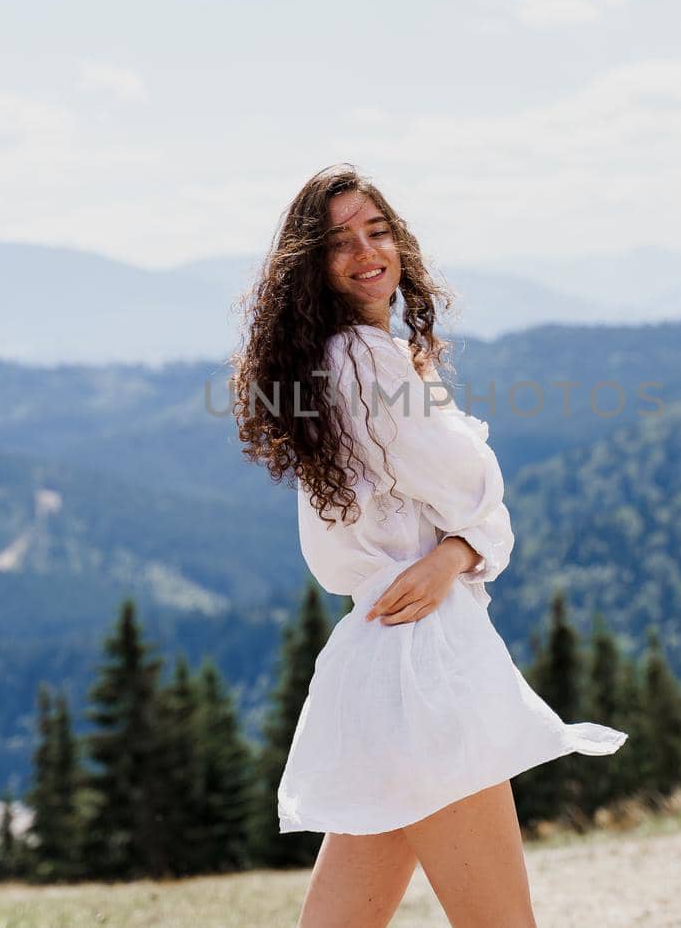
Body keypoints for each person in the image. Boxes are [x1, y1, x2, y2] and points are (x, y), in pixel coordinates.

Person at [231, 163, 627, 927]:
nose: (365, 250)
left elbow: (451, 513)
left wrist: (452, 551)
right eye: (339, 241)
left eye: (377, 231)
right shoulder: (365, 363)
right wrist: (460, 547)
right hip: (428, 669)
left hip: (385, 659)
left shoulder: (332, 361)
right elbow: (476, 491)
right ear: (312, 266)